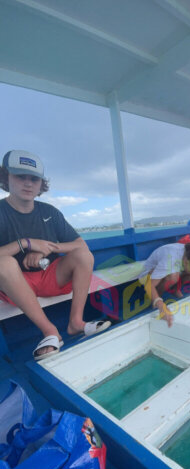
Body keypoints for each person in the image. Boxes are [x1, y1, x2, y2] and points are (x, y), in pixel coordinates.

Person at [0, 150, 111, 360]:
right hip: (14, 285)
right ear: (6, 177)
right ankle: (50, 331)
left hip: (48, 276)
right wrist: (25, 244)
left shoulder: (49, 212)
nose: (28, 183)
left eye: (34, 179)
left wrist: (48, 248)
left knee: (83, 255)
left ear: (41, 183)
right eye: (19, 176)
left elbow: (79, 244)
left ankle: (76, 322)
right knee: (3, 264)